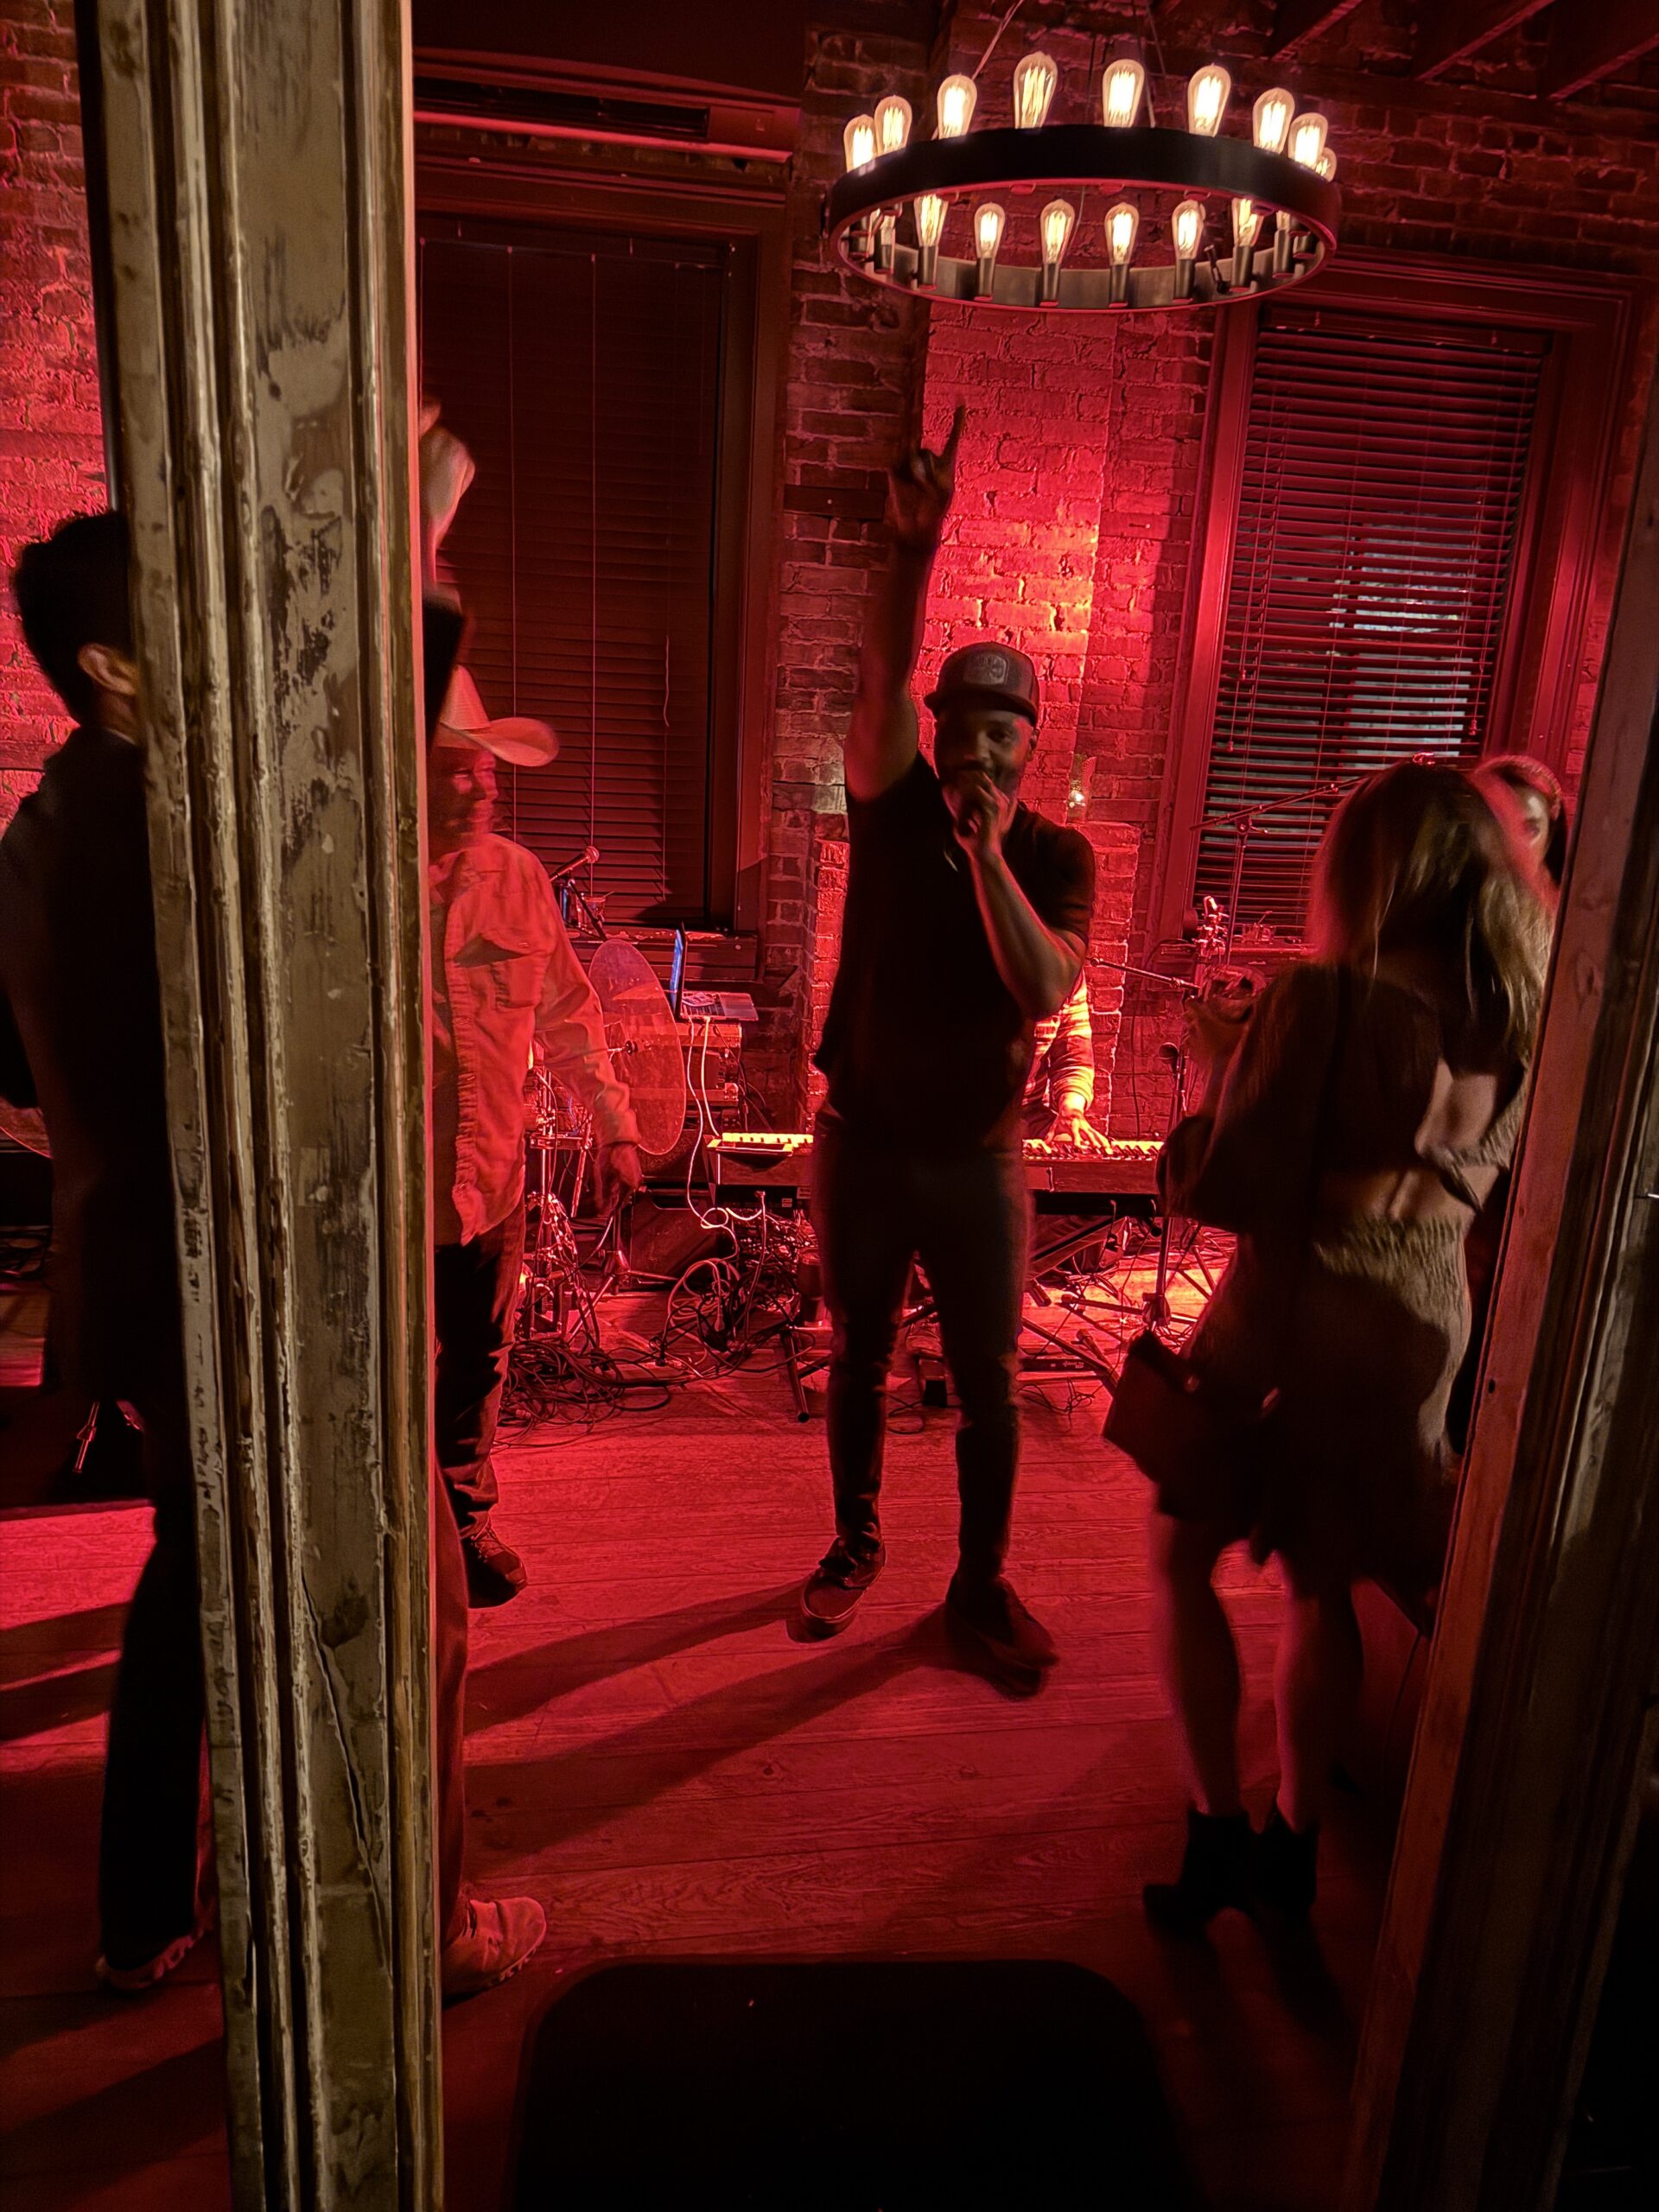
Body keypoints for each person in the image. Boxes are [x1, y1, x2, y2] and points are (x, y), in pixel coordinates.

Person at [0, 414, 543, 1999]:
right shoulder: (164, 822)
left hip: (151, 1277)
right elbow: (350, 760)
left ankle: (147, 1917)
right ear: (115, 667)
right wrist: (415, 539)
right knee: (400, 1605)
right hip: (256, 1283)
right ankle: (399, 1937)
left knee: (195, 1578)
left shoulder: (49, 819)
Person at [1139, 762, 1548, 1929]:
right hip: (1422, 1321)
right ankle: (1295, 1841)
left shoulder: (1326, 999)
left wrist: (1217, 1071)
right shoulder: (1526, 1020)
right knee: (1324, 1588)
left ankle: (1216, 1834)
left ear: (1370, 872)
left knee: (1178, 1556)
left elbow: (1226, 1186)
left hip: (1295, 1310)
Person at [799, 407, 1096, 1693]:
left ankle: (978, 1586)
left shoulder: (1054, 857)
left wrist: (984, 862)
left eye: (1002, 728)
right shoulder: (889, 799)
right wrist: (909, 550)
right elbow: (874, 684)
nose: (979, 742)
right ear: (937, 729)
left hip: (980, 1160)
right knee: (858, 1356)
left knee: (988, 1381)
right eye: (961, 723)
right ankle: (855, 1542)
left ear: (1031, 743)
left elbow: (1045, 984)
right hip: (864, 1143)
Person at [426, 667, 642, 1606]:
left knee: (480, 1359)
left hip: (491, 1177)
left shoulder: (517, 877)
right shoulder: (359, 879)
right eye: (456, 766)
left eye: (486, 769)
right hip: (391, 1189)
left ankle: (462, 1521)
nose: (479, 785)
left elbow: (568, 1014)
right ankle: (388, 1533)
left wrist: (615, 1124)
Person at [1022, 969, 1110, 1153]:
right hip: (965, 1118)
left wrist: (1071, 1109)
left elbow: (1072, 1061)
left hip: (1027, 1116)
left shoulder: (1067, 972)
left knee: (1072, 1146)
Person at [1476, 752, 1569, 893]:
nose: (1513, 844)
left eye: (1529, 830)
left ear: (1549, 838)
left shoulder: (1568, 905)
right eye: (1498, 826)